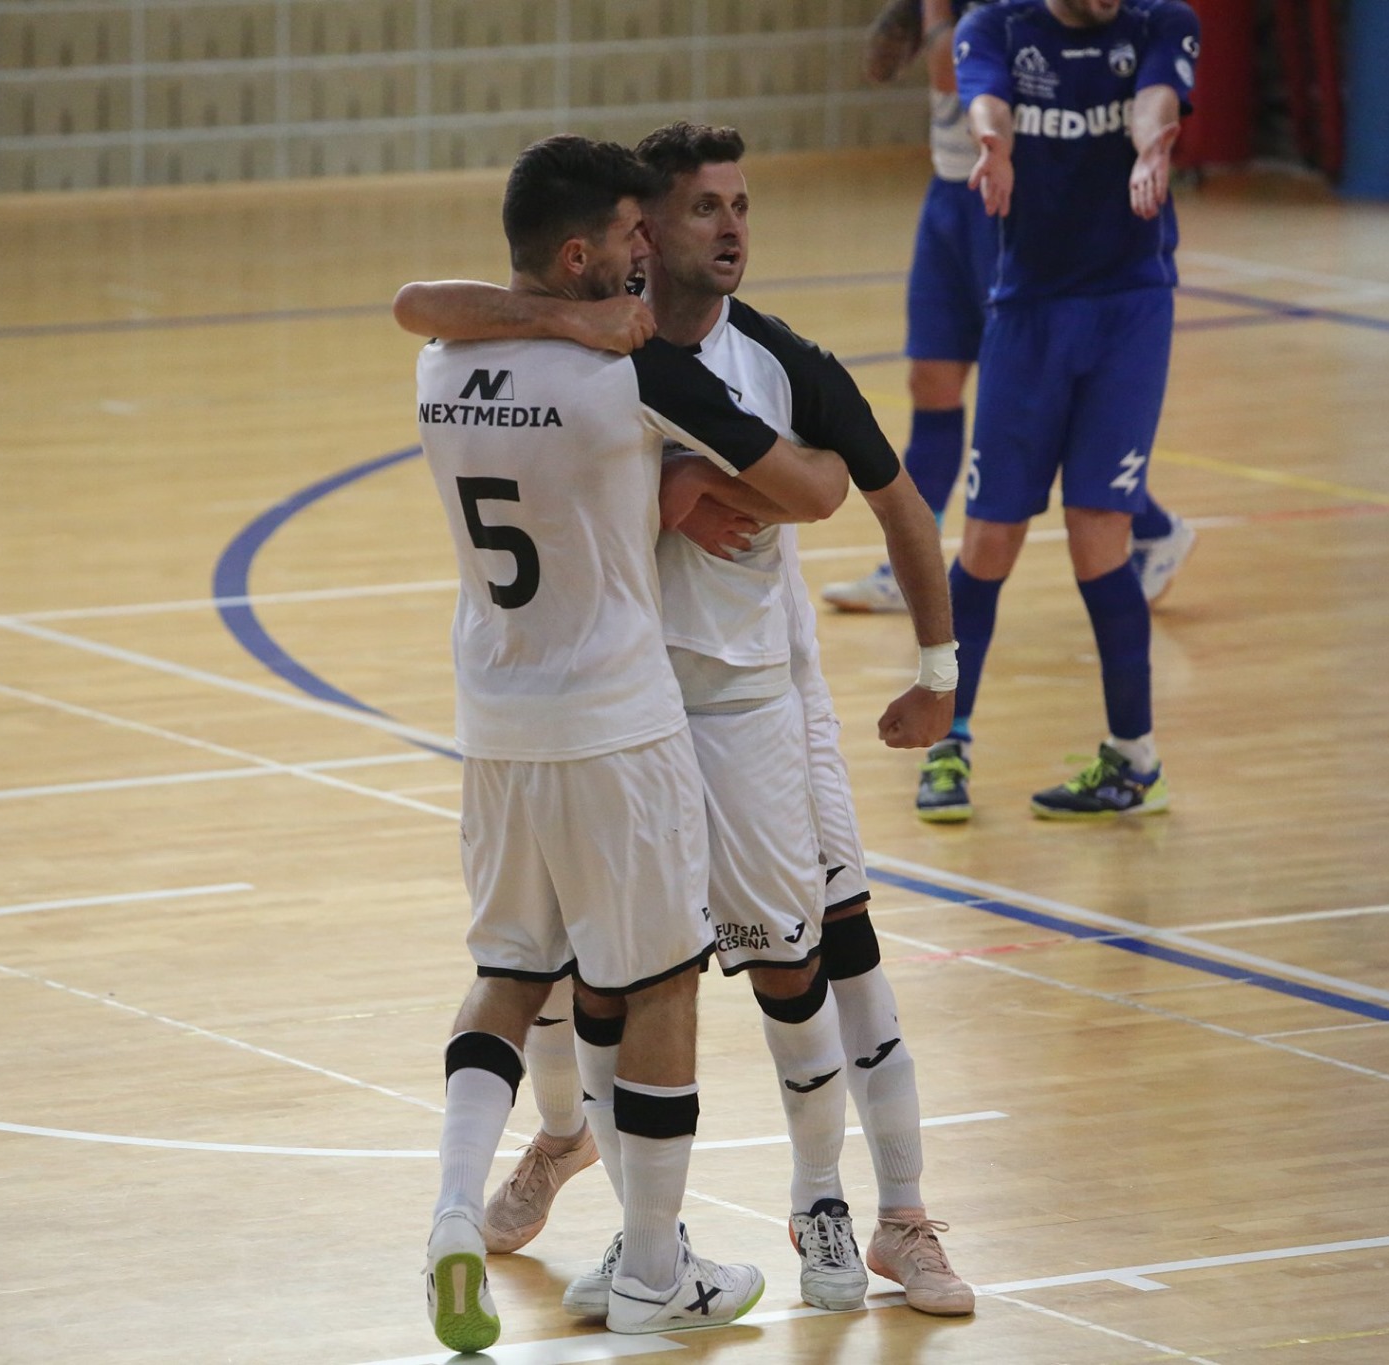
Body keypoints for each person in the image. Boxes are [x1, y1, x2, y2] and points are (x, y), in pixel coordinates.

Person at [397, 123, 979, 1319]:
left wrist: (698, 485)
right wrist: (683, 479)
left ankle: (861, 1207)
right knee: (627, 985)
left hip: (622, 709)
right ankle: (641, 1242)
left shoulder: (467, 361)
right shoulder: (623, 364)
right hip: (623, 718)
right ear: (616, 246)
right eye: (686, 212)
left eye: (741, 206)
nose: (727, 229)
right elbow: (809, 491)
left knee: (743, 965)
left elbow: (417, 300)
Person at [913, 0, 1200, 824]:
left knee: (1097, 536)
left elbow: (1157, 97)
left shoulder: (1158, 21)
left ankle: (1134, 762)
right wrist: (995, 147)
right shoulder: (995, 26)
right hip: (1029, 309)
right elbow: (988, 97)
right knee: (988, 541)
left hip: (1129, 309)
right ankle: (947, 742)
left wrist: (1152, 149)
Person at [824, 0, 1196, 618]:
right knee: (931, 380)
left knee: (1026, 404)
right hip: (949, 189)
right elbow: (885, 64)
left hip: (1009, 200)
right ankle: (909, 568)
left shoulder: (1016, 16)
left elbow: (946, 70)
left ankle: (1149, 523)